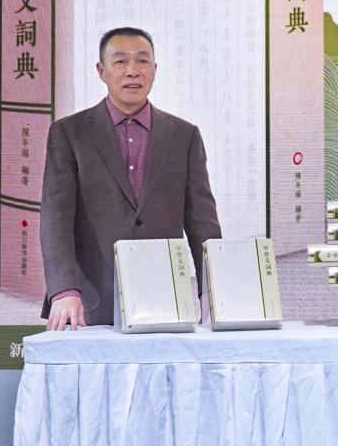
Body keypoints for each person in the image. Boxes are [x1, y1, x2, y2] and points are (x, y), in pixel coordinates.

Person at [40, 26, 221, 330]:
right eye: (120, 61)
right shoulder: (69, 133)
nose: (132, 71)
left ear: (155, 69)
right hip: (88, 304)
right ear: (101, 71)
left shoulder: (184, 135)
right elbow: (55, 219)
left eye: (142, 61)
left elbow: (202, 221)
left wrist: (212, 290)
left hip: (165, 299)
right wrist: (64, 290)